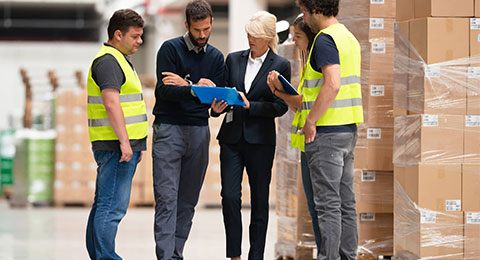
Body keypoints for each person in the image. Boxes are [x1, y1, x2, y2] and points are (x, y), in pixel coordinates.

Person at [211, 11, 290, 260]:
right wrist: (214, 108)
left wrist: (250, 106)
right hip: (232, 138)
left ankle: (256, 255)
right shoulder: (233, 60)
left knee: (259, 200)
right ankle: (234, 255)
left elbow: (281, 106)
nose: (250, 39)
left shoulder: (280, 65)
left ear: (268, 37)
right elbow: (223, 95)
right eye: (248, 34)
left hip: (261, 141)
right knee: (230, 196)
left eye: (255, 35)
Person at [151, 0, 225, 259]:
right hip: (168, 130)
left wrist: (215, 104)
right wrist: (195, 89)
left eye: (206, 29)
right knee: (167, 200)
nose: (203, 35)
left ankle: (175, 254)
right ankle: (165, 256)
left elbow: (216, 102)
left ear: (211, 23)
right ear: (187, 25)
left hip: (198, 131)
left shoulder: (216, 57)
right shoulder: (169, 49)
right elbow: (165, 90)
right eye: (197, 30)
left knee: (187, 202)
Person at [295, 0, 363, 259]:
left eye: (303, 11)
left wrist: (310, 120)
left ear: (315, 9)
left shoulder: (324, 39)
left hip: (326, 134)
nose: (303, 16)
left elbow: (332, 84)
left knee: (327, 206)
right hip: (347, 130)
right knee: (346, 203)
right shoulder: (349, 37)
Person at [85, 9, 147, 260]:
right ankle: (106, 257)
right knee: (112, 208)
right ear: (118, 34)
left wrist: (135, 144)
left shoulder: (117, 59)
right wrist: (125, 143)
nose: (140, 41)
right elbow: (111, 103)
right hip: (115, 147)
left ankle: (99, 255)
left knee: (104, 204)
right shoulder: (109, 62)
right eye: (135, 36)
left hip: (121, 146)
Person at [266, 14, 321, 251]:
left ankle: (328, 254)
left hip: (318, 140)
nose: (294, 42)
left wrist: (279, 93)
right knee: (314, 205)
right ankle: (324, 252)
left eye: (297, 37)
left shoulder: (319, 62)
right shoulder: (308, 62)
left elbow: (305, 102)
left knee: (322, 206)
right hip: (306, 143)